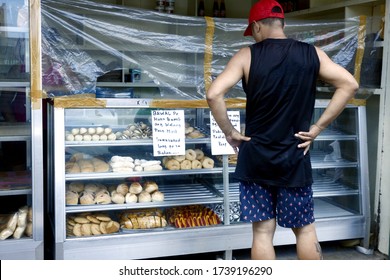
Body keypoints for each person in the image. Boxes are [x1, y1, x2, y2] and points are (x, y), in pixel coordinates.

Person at [206, 0, 358, 260]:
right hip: (294, 154)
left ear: (256, 27)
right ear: (282, 24)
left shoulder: (247, 55)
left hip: (256, 156)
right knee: (305, 230)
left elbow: (213, 94)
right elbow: (349, 84)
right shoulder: (312, 54)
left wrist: (229, 131)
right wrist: (318, 127)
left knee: (263, 232)